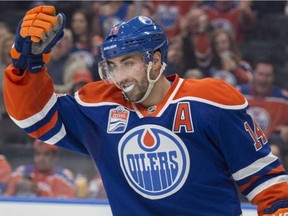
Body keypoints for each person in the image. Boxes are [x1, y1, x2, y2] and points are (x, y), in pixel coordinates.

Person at [4, 5, 288, 215]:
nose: (120, 76)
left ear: (154, 61)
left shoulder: (211, 101)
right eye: (112, 66)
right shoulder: (99, 105)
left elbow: (266, 183)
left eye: (128, 63)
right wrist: (27, 64)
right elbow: (34, 117)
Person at [239, 58, 288, 142]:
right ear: (253, 74)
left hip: (272, 149)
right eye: (260, 74)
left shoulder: (284, 99)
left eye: (268, 75)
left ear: (273, 77)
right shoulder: (238, 95)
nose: (263, 79)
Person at [5, 140, 75, 198]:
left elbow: (65, 205)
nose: (41, 158)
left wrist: (38, 191)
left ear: (55, 157)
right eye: (38, 154)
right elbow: (6, 198)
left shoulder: (63, 176)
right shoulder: (21, 172)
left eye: (46, 154)